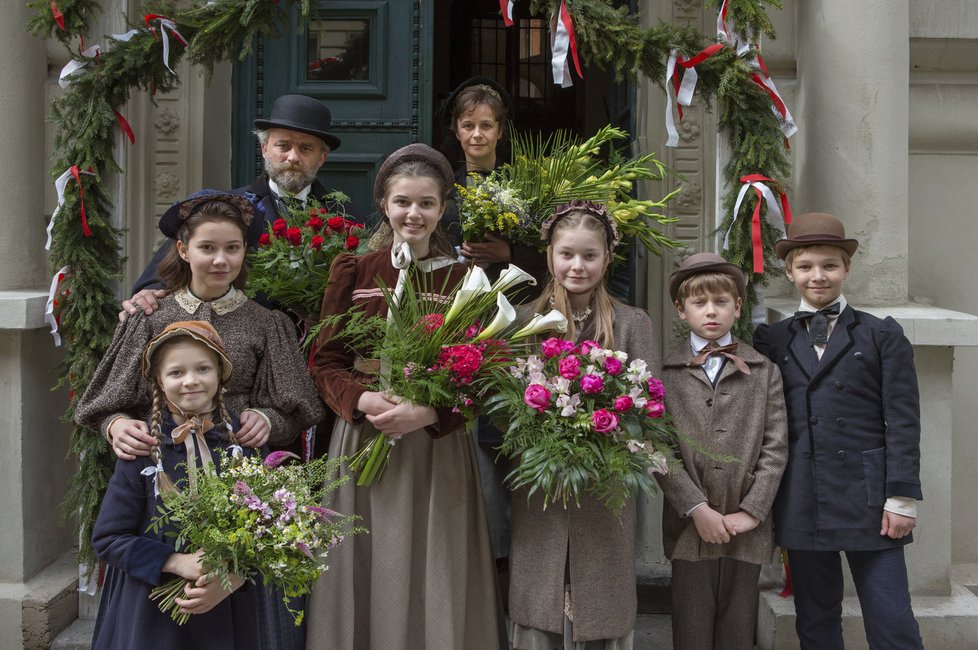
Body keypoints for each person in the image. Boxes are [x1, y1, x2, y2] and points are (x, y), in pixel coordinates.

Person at [75, 191, 324, 650]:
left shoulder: (267, 323)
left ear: (245, 252)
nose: (221, 260)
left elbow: (301, 409)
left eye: (233, 247)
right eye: (207, 248)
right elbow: (102, 401)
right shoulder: (151, 316)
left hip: (240, 479)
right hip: (158, 476)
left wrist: (269, 421)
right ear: (183, 250)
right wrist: (113, 424)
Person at [304, 143, 505, 649]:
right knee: (366, 551)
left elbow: (482, 375)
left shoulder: (466, 280)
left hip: (435, 445)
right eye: (402, 202)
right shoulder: (355, 271)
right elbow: (325, 360)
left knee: (432, 554)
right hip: (362, 437)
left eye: (427, 203)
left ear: (442, 209)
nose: (413, 214)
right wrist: (361, 402)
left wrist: (429, 411)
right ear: (384, 204)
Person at [753, 212, 924, 649]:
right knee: (815, 620)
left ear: (847, 268)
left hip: (870, 498)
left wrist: (902, 498)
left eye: (830, 265)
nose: (818, 276)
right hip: (803, 495)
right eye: (806, 266)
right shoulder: (771, 340)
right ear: (789, 271)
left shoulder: (882, 335)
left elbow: (903, 420)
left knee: (892, 623)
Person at [507, 200, 657, 649]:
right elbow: (504, 407)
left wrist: (604, 431)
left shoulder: (633, 324)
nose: (577, 266)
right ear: (549, 255)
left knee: (602, 599)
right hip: (542, 485)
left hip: (605, 485)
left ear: (607, 258)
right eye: (566, 254)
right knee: (541, 595)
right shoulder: (522, 321)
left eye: (590, 255)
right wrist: (548, 429)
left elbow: (651, 408)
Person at [90, 321, 258, 650]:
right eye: (176, 372)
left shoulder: (243, 446)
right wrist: (175, 562)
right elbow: (108, 538)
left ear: (221, 374)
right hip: (152, 615)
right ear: (159, 382)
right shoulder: (144, 451)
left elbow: (267, 529)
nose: (191, 380)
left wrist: (232, 580)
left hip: (224, 612)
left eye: (203, 369)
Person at [657, 252, 788, 649]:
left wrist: (752, 511)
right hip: (689, 526)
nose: (710, 311)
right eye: (699, 303)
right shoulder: (664, 374)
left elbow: (776, 445)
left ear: (738, 306)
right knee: (692, 628)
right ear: (681, 310)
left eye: (721, 302)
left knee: (737, 628)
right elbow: (657, 447)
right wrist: (696, 508)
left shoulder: (764, 371)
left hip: (746, 527)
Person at [124, 94, 344, 318]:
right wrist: (148, 293)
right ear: (265, 148)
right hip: (238, 339)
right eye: (283, 146)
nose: (293, 157)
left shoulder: (345, 220)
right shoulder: (224, 208)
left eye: (306, 149)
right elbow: (163, 272)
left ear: (322, 158)